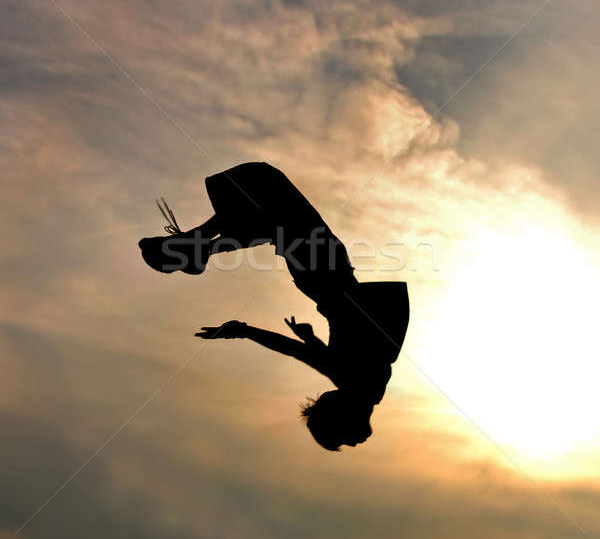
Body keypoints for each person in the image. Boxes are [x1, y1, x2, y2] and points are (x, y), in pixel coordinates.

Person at [138, 162, 409, 450]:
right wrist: (248, 332)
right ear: (339, 413)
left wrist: (253, 332)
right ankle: (193, 245)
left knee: (273, 210)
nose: (320, 396)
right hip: (325, 279)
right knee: (272, 208)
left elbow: (304, 351)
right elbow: (303, 351)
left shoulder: (357, 385)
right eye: (322, 405)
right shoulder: (359, 385)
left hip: (325, 276)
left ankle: (193, 246)